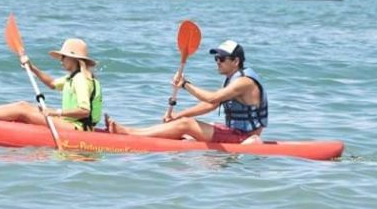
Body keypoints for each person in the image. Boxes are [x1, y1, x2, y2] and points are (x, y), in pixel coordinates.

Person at [106, 40, 267, 144]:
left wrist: (185, 84)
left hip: (243, 138)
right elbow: (210, 105)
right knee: (183, 123)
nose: (218, 62)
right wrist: (179, 115)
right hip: (234, 132)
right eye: (216, 58)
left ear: (236, 61)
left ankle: (129, 134)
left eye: (222, 58)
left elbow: (212, 98)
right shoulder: (233, 78)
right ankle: (135, 132)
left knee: (186, 125)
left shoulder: (244, 82)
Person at [0, 38, 102, 131]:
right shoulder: (74, 77)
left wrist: (55, 112)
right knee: (23, 104)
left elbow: (84, 111)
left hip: (78, 129)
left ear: (74, 60)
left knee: (23, 111)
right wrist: (32, 67)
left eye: (64, 57)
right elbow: (52, 83)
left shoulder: (81, 80)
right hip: (69, 124)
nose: (61, 60)